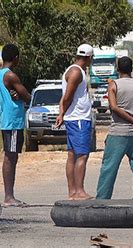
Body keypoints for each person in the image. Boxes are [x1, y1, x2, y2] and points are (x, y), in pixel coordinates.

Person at [96, 57, 133, 199]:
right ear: (132, 69)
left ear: (117, 69)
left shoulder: (114, 85)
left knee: (109, 168)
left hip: (118, 132)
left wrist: (132, 120)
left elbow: (114, 107)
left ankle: (102, 199)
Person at [55, 44, 94, 200]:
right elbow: (68, 96)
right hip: (78, 118)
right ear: (89, 58)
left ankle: (73, 191)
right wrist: (62, 113)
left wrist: (61, 112)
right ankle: (78, 191)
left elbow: (64, 96)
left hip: (75, 117)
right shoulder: (76, 72)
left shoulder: (75, 71)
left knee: (72, 155)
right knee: (81, 155)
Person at [0, 44, 31, 207]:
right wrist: (21, 96)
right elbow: (27, 96)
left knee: (12, 155)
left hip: (8, 119)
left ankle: (9, 195)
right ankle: (9, 196)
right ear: (16, 58)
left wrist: (17, 96)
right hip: (13, 121)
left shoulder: (0, 74)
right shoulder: (10, 76)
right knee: (11, 156)